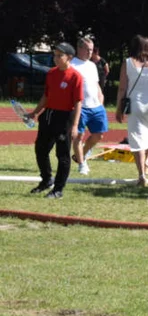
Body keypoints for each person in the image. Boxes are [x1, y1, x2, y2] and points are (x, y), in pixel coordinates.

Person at [27, 42, 83, 199]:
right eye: (55, 55)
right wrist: (35, 112)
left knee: (62, 154)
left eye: (60, 56)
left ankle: (58, 189)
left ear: (69, 58)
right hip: (48, 115)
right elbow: (46, 96)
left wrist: (75, 125)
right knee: (41, 149)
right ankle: (46, 180)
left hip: (65, 117)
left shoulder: (75, 76)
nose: (56, 58)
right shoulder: (51, 73)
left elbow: (78, 102)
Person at [116, 35, 148, 187]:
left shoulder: (127, 63)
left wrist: (119, 108)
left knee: (137, 140)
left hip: (136, 105)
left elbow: (122, 88)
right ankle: (147, 160)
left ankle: (141, 175)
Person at [70, 37, 106, 175]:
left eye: (92, 49)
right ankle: (81, 164)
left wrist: (101, 98)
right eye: (87, 49)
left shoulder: (92, 65)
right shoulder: (72, 65)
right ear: (79, 48)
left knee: (99, 135)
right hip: (80, 107)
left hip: (96, 106)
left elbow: (95, 84)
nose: (90, 52)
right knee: (78, 136)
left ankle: (81, 154)